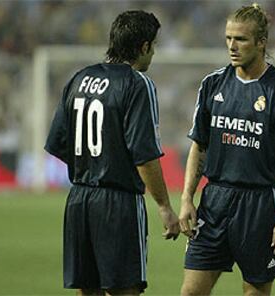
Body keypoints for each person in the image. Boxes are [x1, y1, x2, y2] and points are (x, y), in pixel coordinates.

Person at [44, 10, 179, 296]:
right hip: (118, 204)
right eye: (152, 46)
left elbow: (58, 143)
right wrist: (165, 207)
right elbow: (144, 154)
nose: (153, 54)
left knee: (87, 291)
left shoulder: (79, 78)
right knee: (124, 291)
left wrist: (93, 165)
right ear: (144, 46)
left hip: (79, 200)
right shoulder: (137, 84)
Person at [179, 3, 275, 296]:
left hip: (260, 205)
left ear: (261, 42)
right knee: (190, 292)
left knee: (255, 292)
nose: (232, 46)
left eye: (240, 39)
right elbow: (199, 145)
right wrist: (187, 198)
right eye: (228, 38)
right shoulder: (213, 83)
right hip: (213, 202)